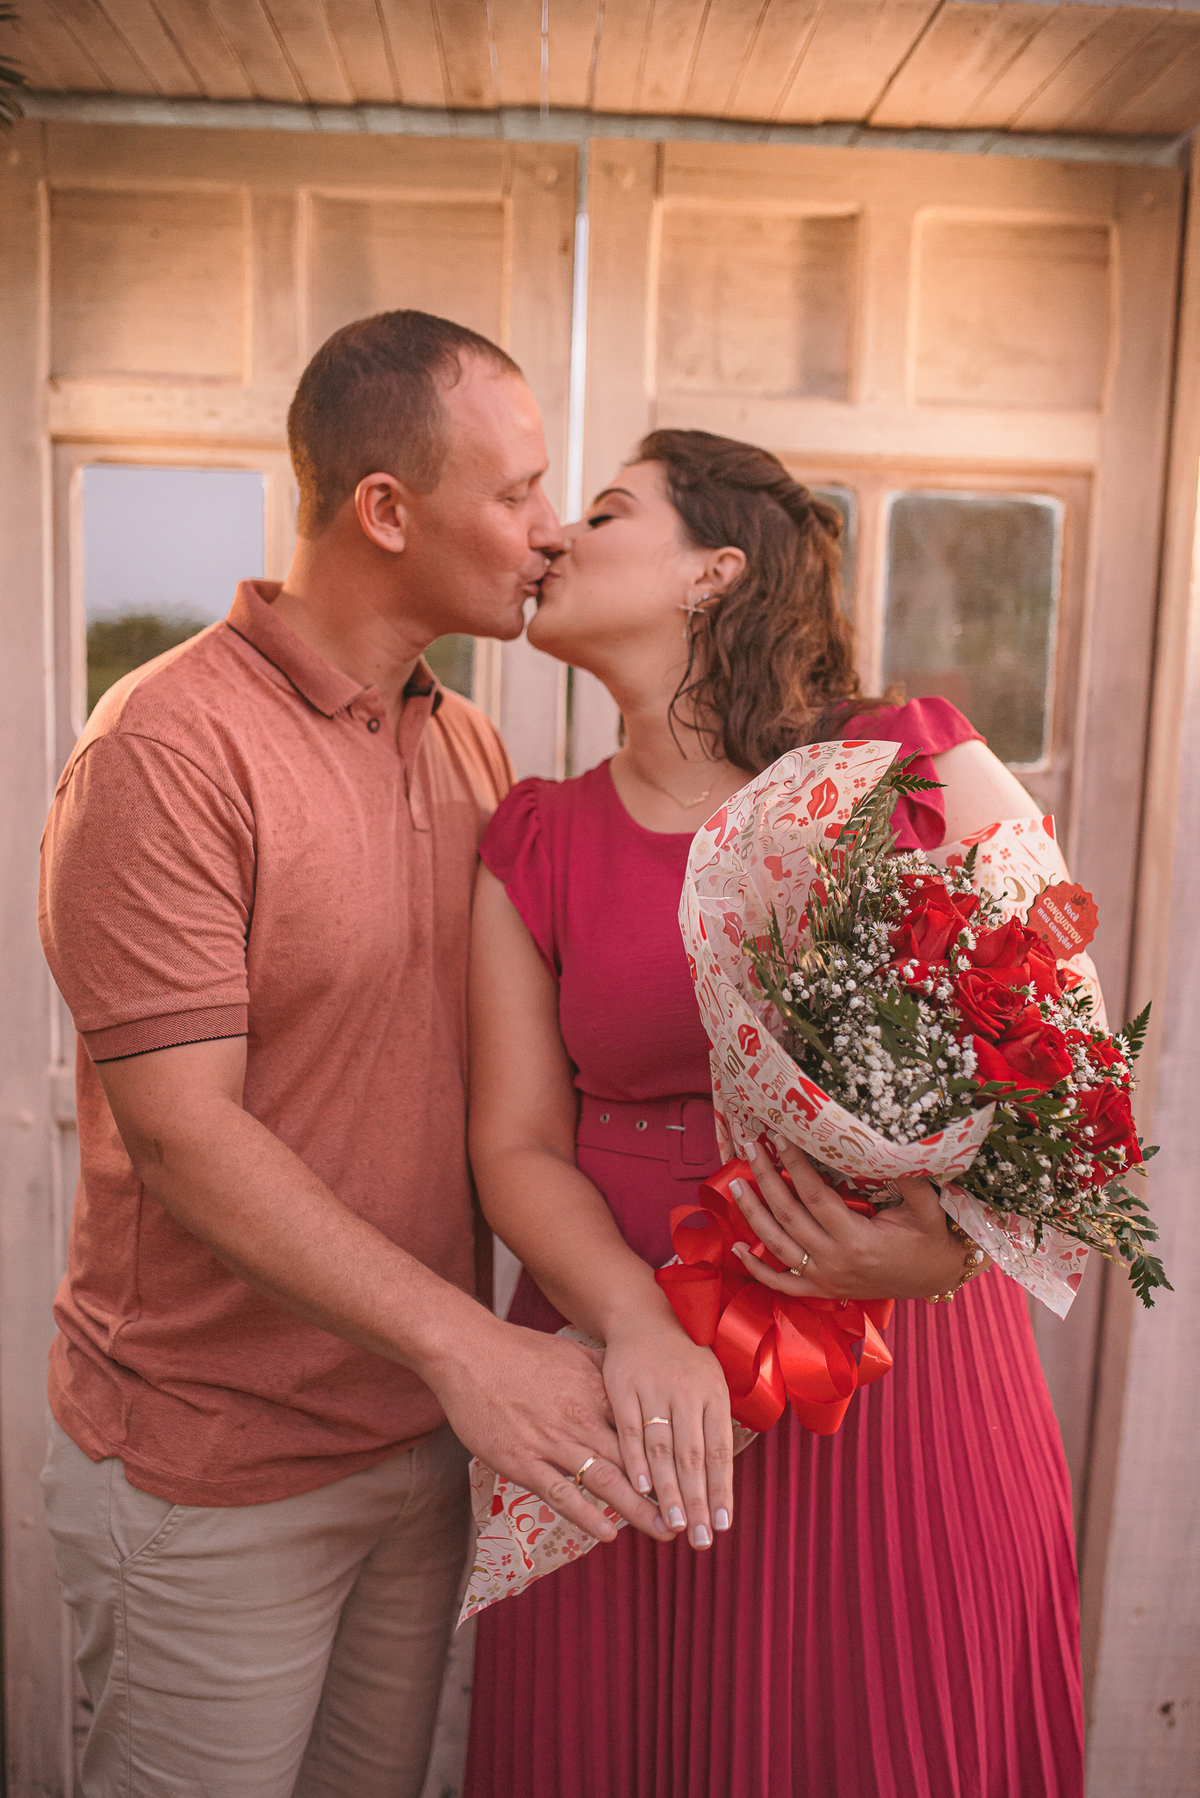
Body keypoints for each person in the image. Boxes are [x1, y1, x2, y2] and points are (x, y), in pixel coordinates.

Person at [37, 310, 667, 1798]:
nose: (548, 527)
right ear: (385, 510)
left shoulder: (470, 747)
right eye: (514, 492)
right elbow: (190, 1136)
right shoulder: (168, 749)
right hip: (216, 1471)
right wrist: (472, 1347)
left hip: (417, 1446)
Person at [463, 429, 1084, 1798]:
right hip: (623, 1403)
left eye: (608, 511)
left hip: (896, 1397)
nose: (553, 533)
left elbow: (1070, 1077)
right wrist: (632, 1324)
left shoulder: (913, 766)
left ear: (715, 571)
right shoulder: (535, 837)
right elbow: (512, 1143)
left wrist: (950, 1249)